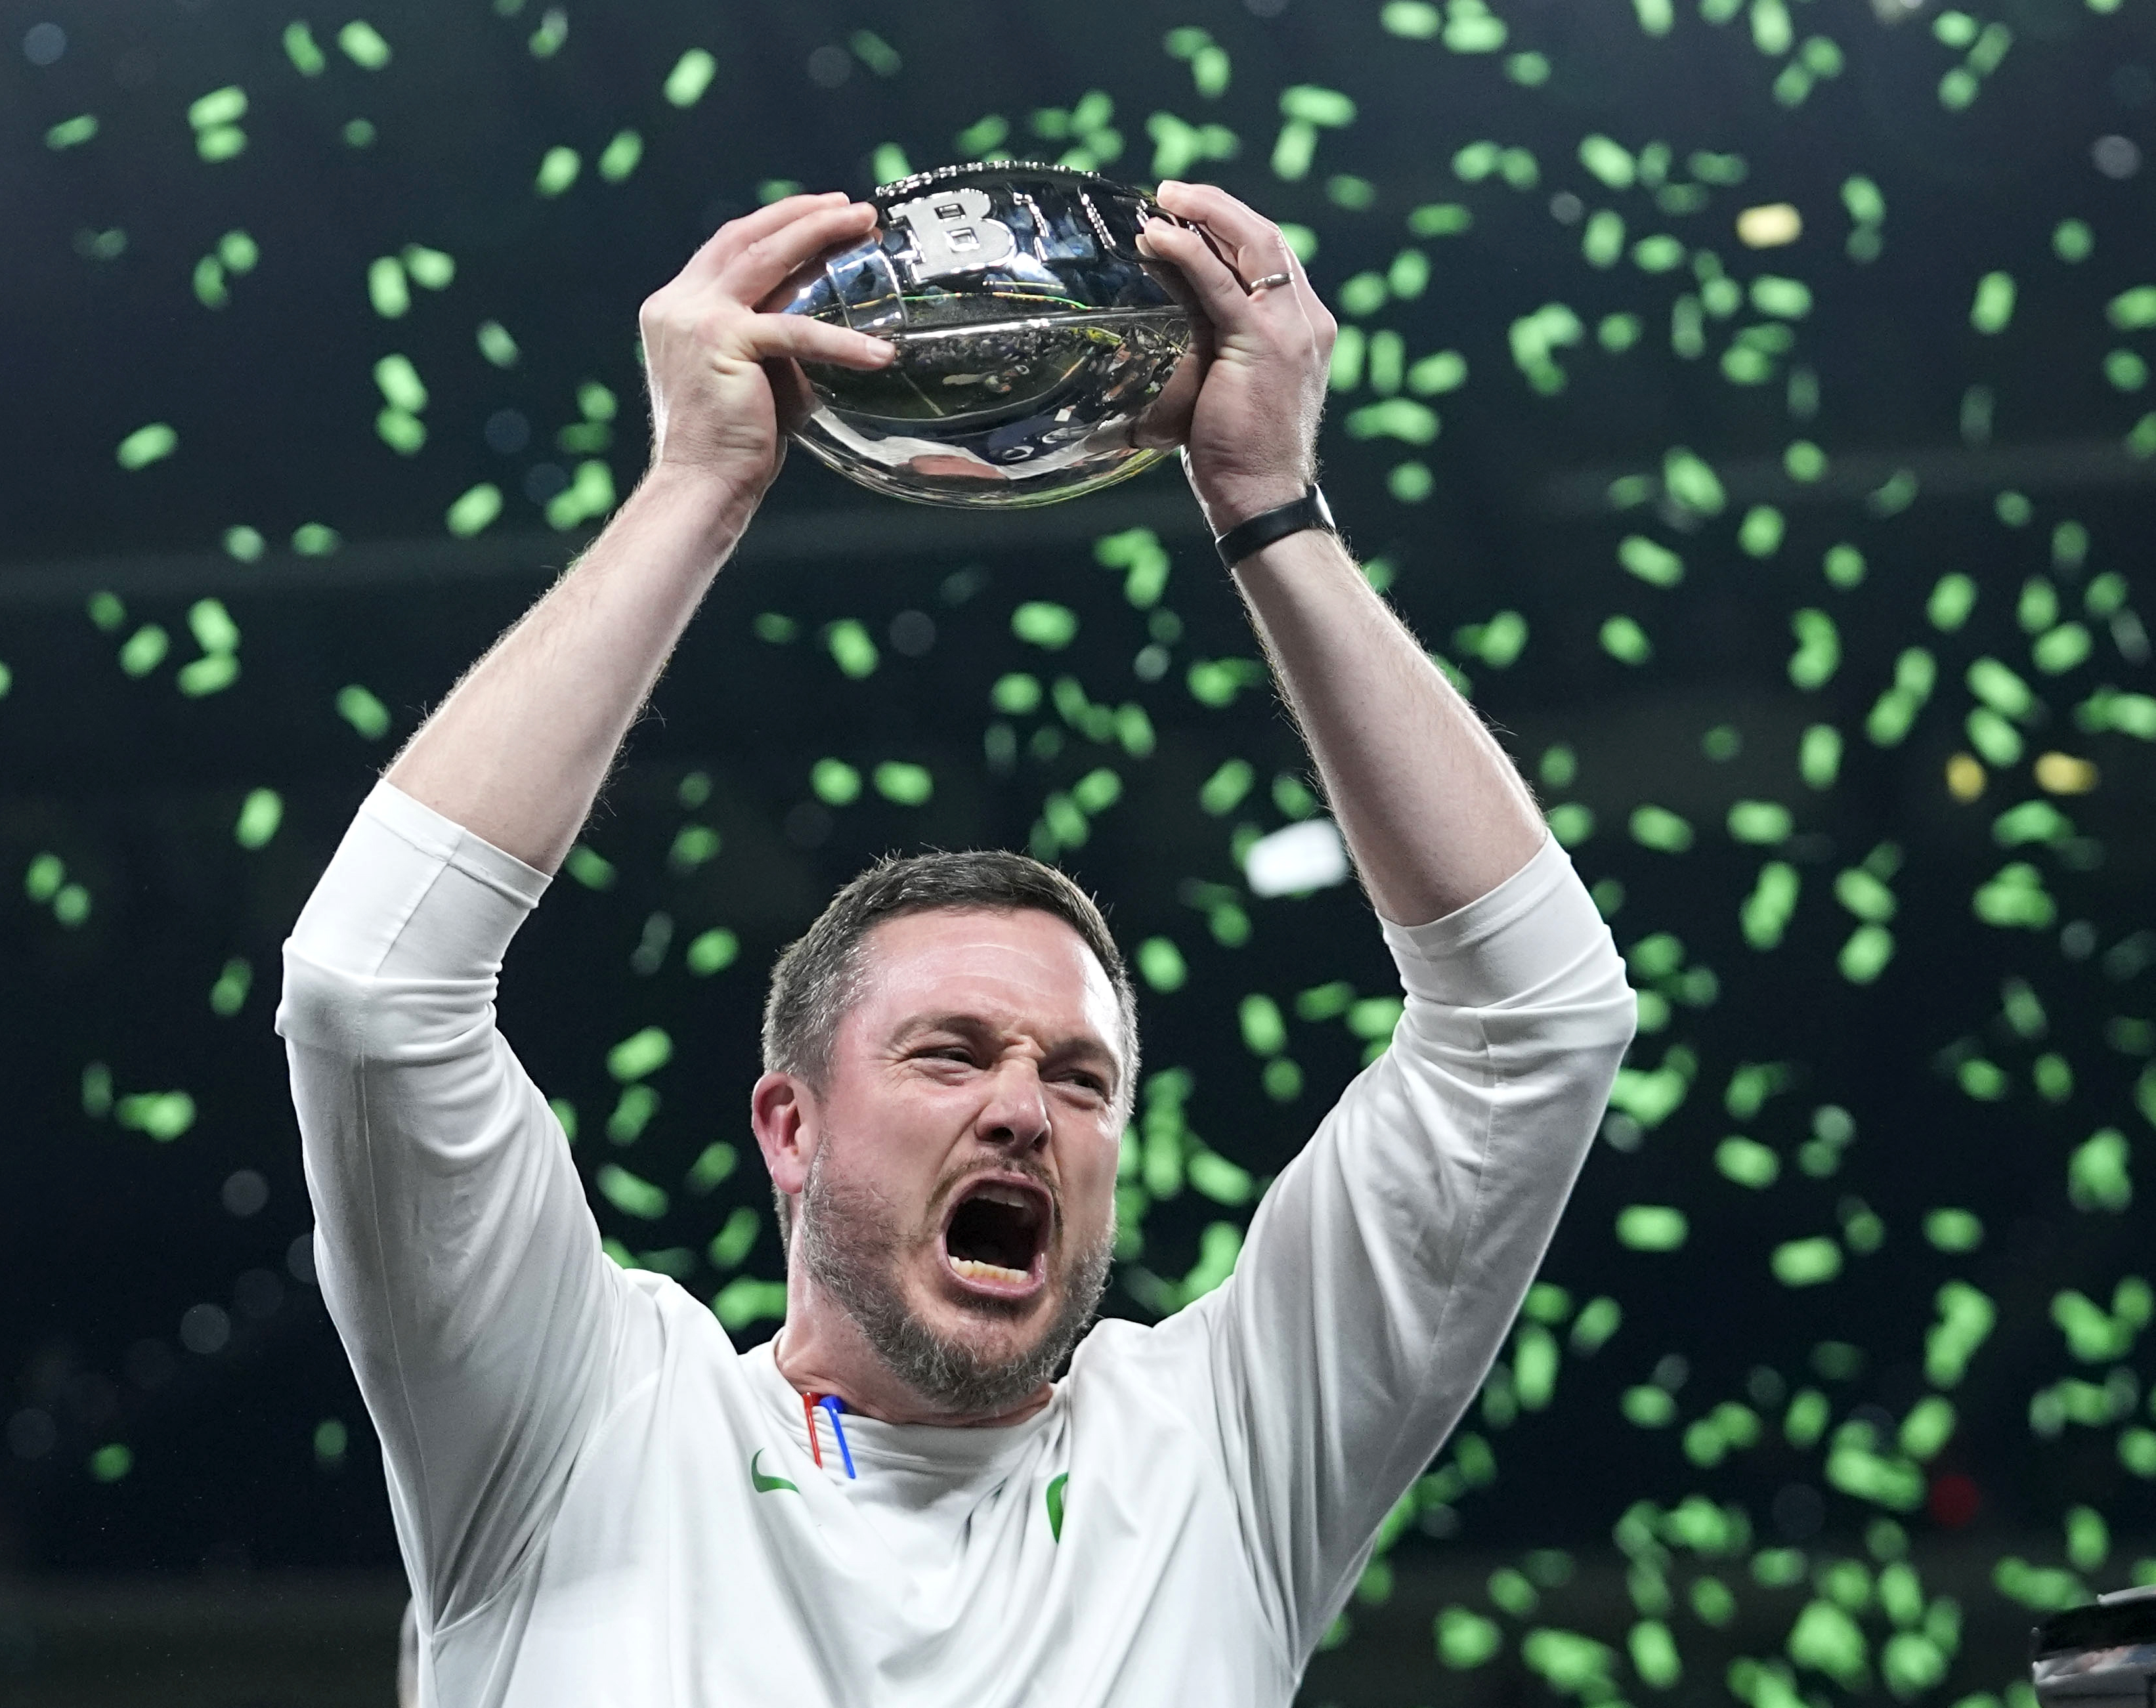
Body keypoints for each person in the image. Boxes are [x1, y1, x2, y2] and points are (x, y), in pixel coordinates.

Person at [280, 182, 1636, 1707]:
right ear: (786, 1125)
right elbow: (371, 988)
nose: (1020, 1106)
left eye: (1079, 1077)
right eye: (948, 1049)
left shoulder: (1220, 1456)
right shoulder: (579, 1428)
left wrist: (1271, 507)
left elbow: (1536, 1019)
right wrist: (698, 486)